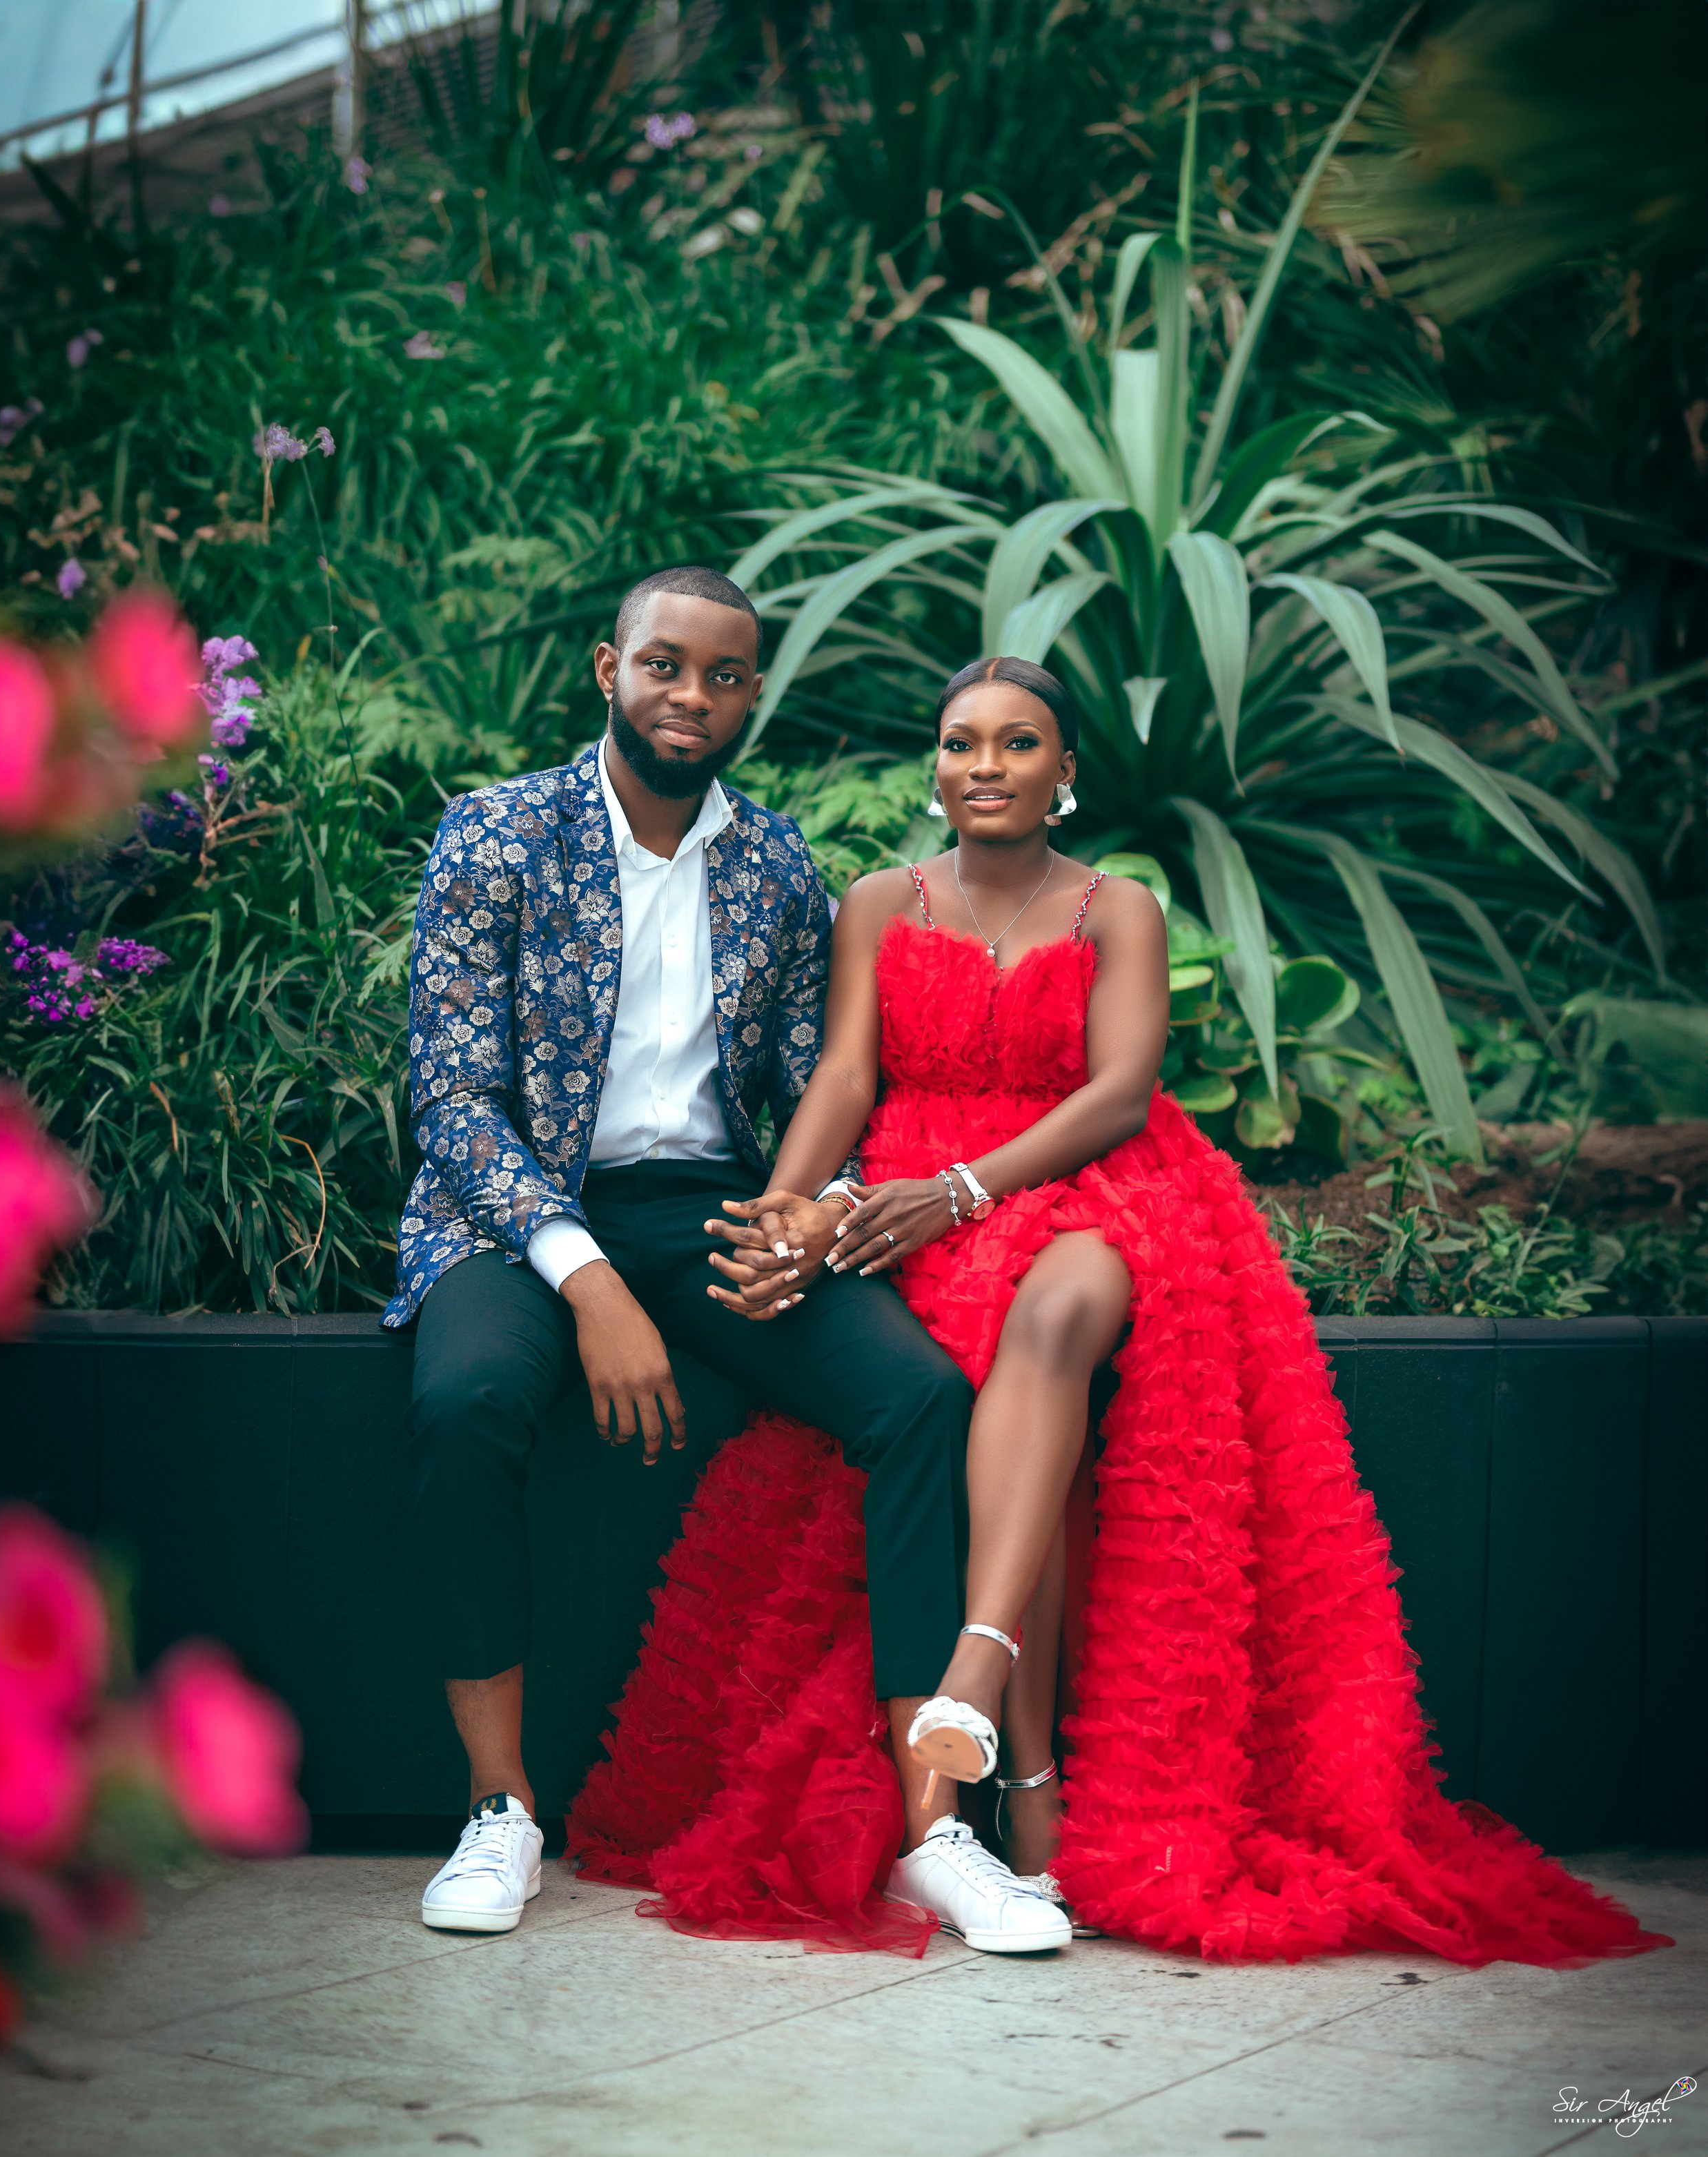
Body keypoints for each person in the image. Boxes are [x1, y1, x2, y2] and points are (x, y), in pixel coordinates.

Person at [567, 654, 1667, 1969]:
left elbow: (1120, 1093)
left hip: (1086, 1184)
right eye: (961, 743)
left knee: (1050, 1319)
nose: (985, 765)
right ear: (936, 767)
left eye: (1017, 742)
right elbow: (847, 1076)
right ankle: (1029, 1785)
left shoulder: (1118, 907)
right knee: (996, 1398)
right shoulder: (879, 901)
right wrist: (788, 1211)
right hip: (915, 1182)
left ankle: (974, 1675)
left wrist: (963, 1191)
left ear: (1066, 770)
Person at [384, 568, 1059, 1948]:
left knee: (918, 1397)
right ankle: (500, 1810)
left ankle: (932, 1829)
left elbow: (826, 1082)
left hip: (711, 1205)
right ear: (609, 669)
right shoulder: (497, 833)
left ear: (751, 694)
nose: (691, 695)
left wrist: (818, 1212)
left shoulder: (775, 864)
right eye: (664, 665)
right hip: (519, 1210)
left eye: (724, 675)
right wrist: (585, 1280)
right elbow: (452, 1101)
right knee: (466, 1400)